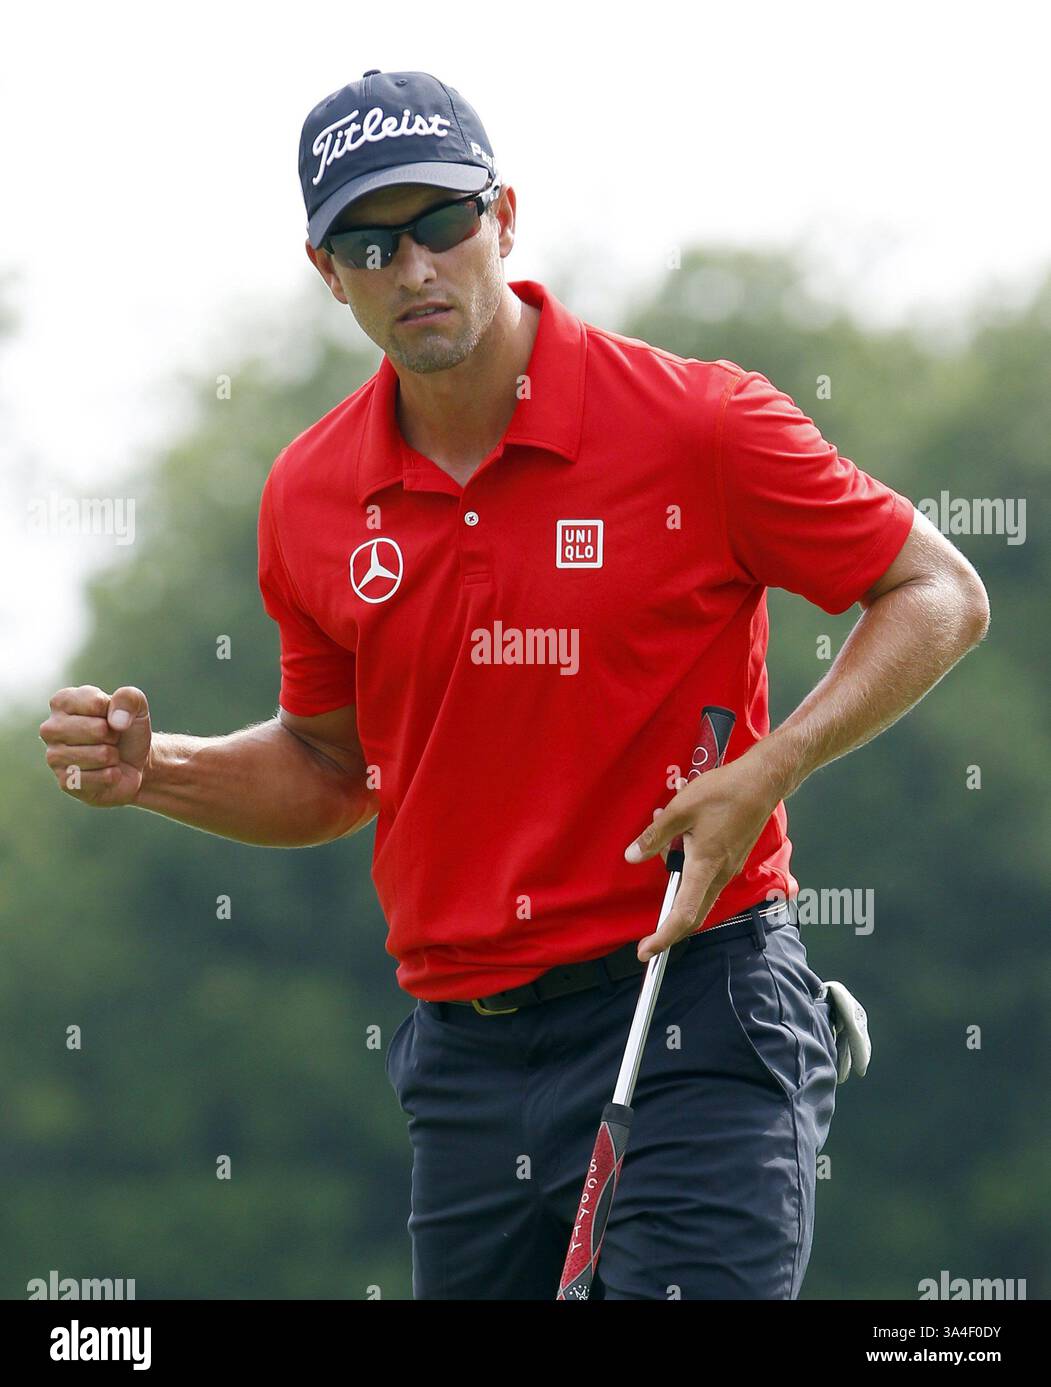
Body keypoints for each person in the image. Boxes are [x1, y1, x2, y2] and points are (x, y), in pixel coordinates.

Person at [39, 70, 990, 1300]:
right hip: (465, 1061)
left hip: (692, 1001)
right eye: (370, 243)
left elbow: (937, 591)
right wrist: (156, 771)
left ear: (504, 219)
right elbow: (334, 771)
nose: (415, 267)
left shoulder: (697, 423)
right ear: (328, 271)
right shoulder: (310, 495)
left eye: (442, 223)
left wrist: (773, 765)